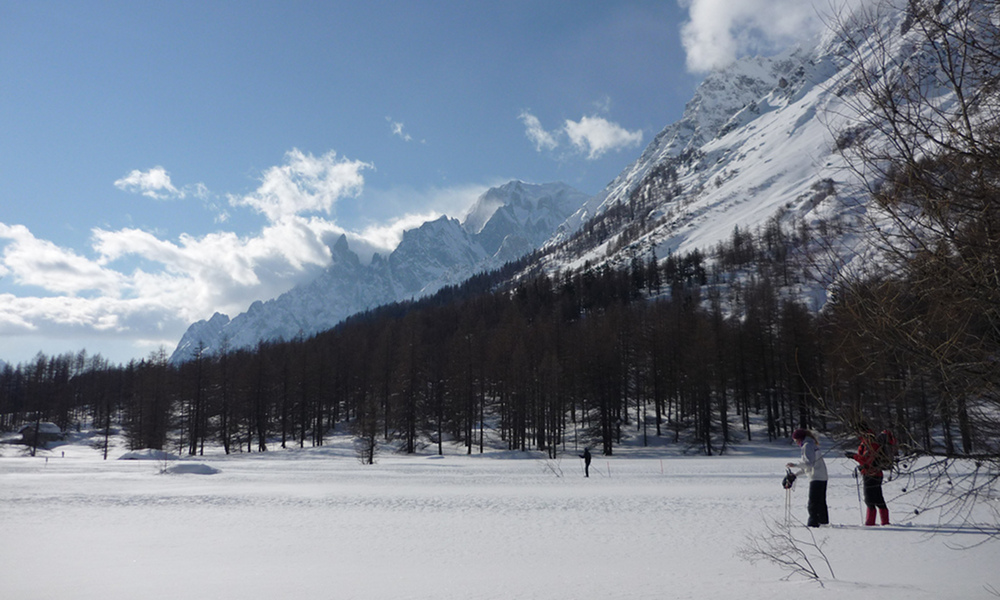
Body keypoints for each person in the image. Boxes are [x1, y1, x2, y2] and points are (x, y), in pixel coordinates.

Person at [786, 428, 829, 527]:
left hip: (816, 477)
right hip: (822, 475)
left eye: (796, 440)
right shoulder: (812, 444)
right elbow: (809, 466)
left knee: (813, 503)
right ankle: (823, 522)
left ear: (800, 439)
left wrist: (795, 465)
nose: (796, 443)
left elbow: (809, 464)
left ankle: (813, 524)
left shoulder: (807, 446)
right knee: (821, 502)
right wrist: (796, 474)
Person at [846, 430, 890, 526]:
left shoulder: (870, 444)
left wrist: (853, 456)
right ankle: (884, 522)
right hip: (875, 474)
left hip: (871, 474)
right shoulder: (870, 443)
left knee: (870, 500)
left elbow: (866, 460)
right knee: (878, 499)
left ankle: (870, 523)